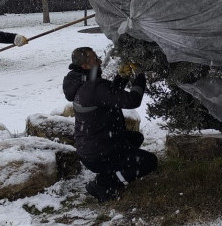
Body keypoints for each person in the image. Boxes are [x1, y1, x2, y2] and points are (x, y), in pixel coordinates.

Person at [62, 47, 158, 202]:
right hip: (100, 152)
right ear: (85, 65)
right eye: (95, 59)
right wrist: (140, 75)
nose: (100, 61)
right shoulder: (93, 87)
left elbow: (108, 97)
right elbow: (132, 100)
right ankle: (104, 183)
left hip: (91, 148)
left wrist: (122, 77)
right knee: (149, 162)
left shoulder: (81, 82)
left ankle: (112, 169)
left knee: (135, 138)